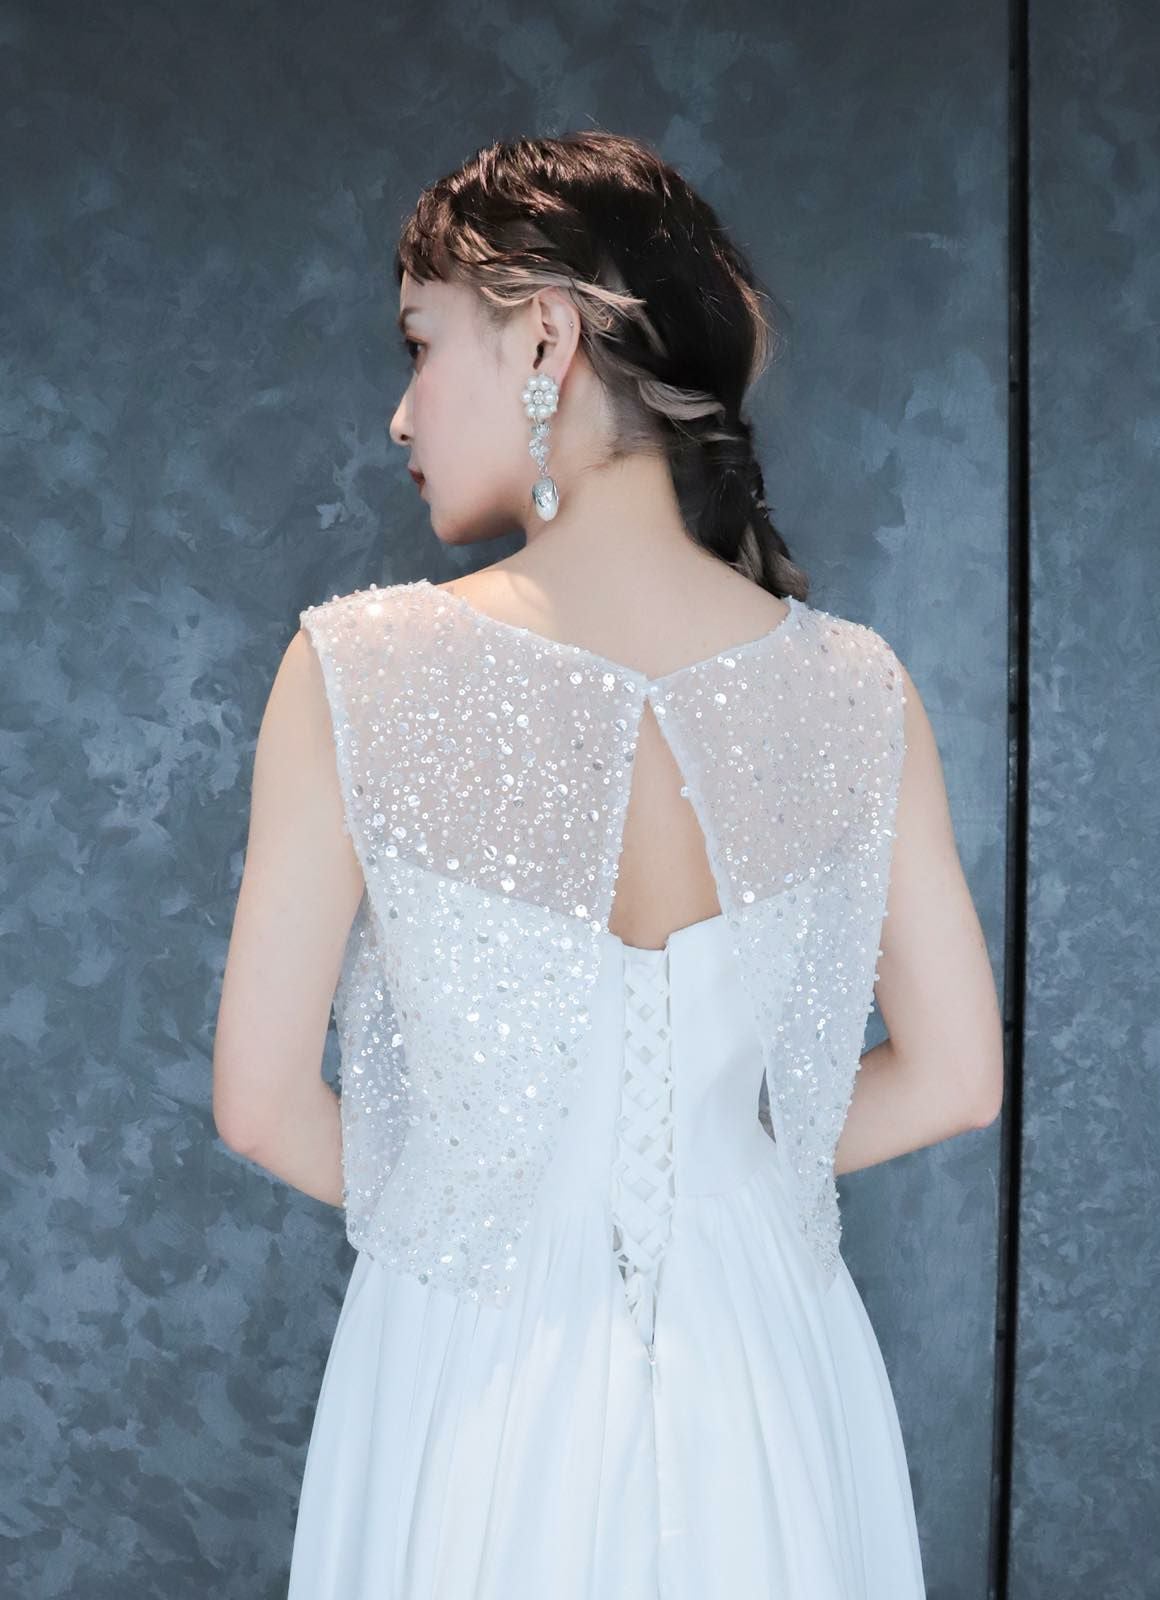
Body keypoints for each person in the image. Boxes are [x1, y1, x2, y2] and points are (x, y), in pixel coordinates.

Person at [213, 129, 1003, 1598]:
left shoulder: (356, 672)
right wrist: (710, 1175)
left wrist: (487, 1192)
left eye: (422, 346)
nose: (400, 413)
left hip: (474, 1362)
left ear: (547, 338)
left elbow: (260, 1104)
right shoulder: (855, 688)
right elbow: (958, 1077)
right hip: (764, 1364)